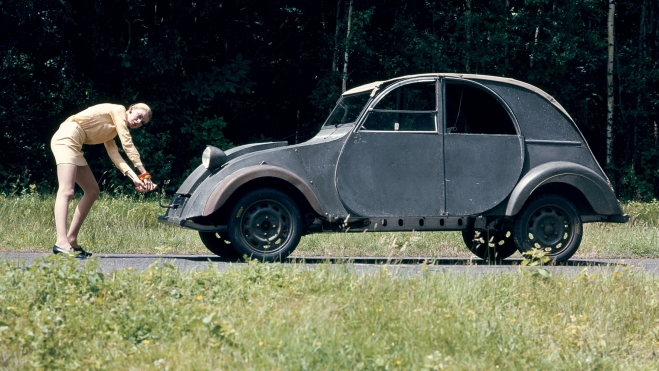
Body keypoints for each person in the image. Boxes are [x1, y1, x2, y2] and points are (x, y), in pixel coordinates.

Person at [50, 103, 157, 258]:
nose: (138, 122)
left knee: (92, 191)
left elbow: (116, 156)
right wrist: (144, 174)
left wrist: (135, 179)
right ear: (131, 109)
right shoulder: (118, 110)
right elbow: (127, 143)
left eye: (142, 122)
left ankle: (71, 240)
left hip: (75, 144)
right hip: (67, 138)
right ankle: (61, 242)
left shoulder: (112, 131)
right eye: (139, 116)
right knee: (67, 191)